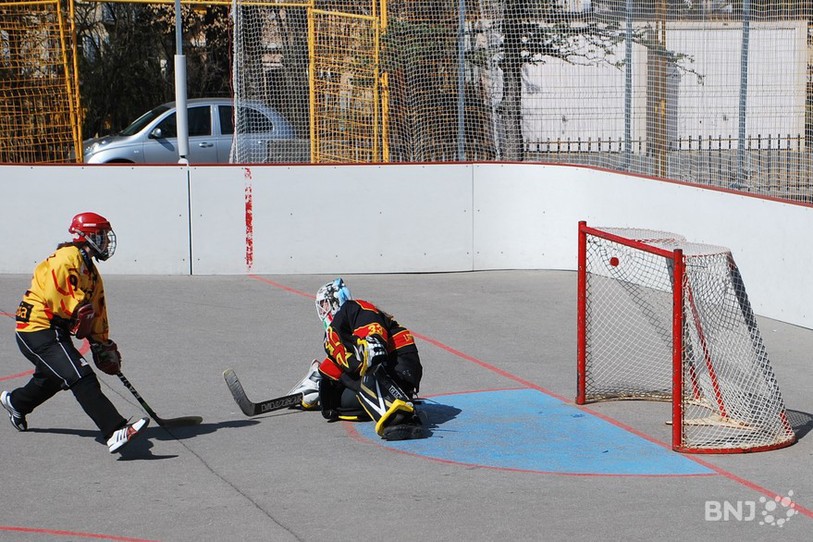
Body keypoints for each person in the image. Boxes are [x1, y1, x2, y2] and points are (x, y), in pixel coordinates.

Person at [1, 212, 149, 453]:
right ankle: (114, 431)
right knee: (81, 375)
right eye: (101, 236)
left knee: (55, 377)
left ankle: (16, 403)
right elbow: (55, 293)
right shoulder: (65, 258)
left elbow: (98, 310)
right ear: (87, 236)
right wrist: (78, 308)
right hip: (37, 328)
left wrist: (102, 344)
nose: (106, 242)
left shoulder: (91, 273)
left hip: (53, 330)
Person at [289, 278, 425, 441]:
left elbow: (372, 329)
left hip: (398, 363)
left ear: (334, 300)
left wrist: (372, 341)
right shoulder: (339, 335)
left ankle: (404, 419)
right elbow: (342, 367)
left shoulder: (353, 308)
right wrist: (322, 386)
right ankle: (316, 385)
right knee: (339, 401)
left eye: (324, 304)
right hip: (389, 372)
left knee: (368, 365)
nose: (323, 310)